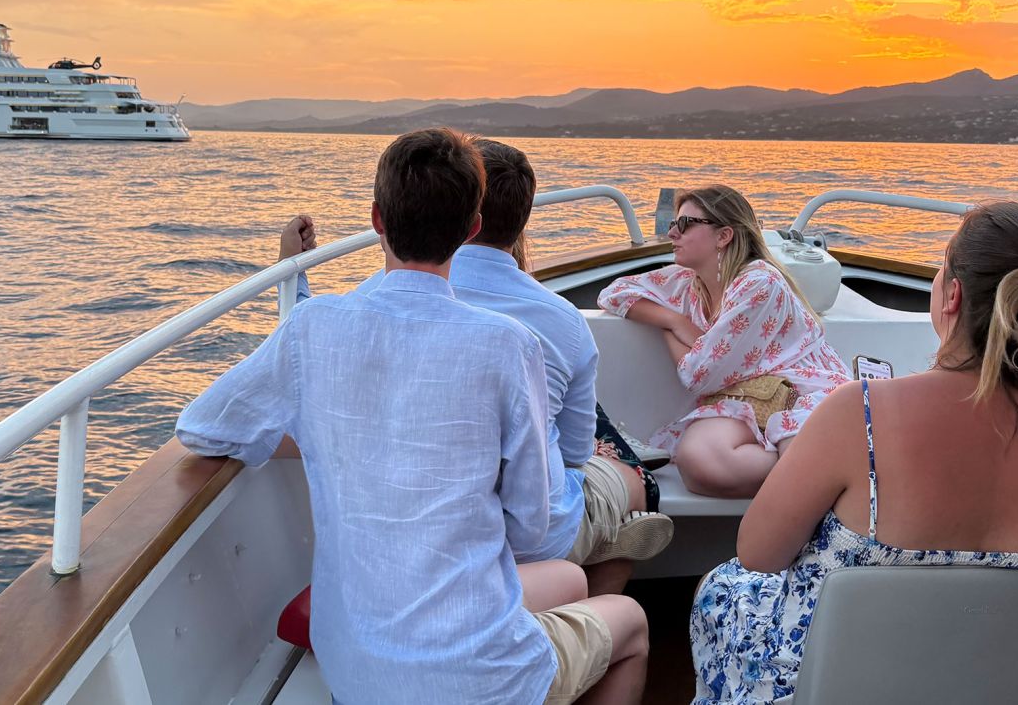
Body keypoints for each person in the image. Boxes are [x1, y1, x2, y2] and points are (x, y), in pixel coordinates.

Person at [175, 129, 648, 705]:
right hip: (479, 678)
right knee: (629, 622)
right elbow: (533, 528)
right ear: (471, 229)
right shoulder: (508, 344)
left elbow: (202, 427)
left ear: (377, 218)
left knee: (564, 586)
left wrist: (318, 430)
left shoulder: (312, 328)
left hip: (356, 675)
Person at [689, 201, 1018, 703]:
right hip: (1002, 689)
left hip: (838, 686)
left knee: (723, 587)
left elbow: (759, 554)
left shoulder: (859, 414)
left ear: (952, 295)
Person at [285, 139, 673, 596]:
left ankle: (583, 570)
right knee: (628, 478)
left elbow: (307, 342)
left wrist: (293, 270)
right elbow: (571, 454)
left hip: (423, 527)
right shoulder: (559, 324)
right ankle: (602, 563)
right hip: (525, 531)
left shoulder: (376, 296)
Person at [596, 184, 851, 498]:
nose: (672, 233)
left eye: (685, 224)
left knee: (797, 445)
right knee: (699, 461)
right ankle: (816, 470)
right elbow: (613, 293)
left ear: (723, 236)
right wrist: (674, 322)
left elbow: (698, 375)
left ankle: (818, 470)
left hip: (799, 388)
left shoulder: (759, 282)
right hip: (744, 396)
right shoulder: (688, 283)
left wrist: (679, 333)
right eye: (673, 223)